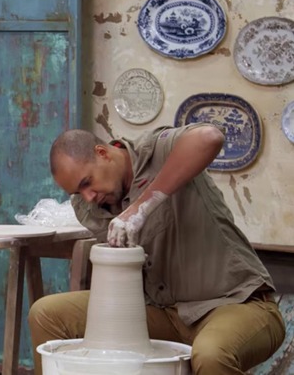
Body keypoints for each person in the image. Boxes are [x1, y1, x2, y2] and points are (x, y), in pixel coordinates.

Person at [29, 124, 285, 375]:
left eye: (87, 182)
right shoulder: (88, 207)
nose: (88, 197)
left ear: (103, 153)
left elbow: (210, 137)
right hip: (161, 312)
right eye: (77, 191)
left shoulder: (156, 152)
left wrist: (140, 208)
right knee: (46, 314)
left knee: (210, 356)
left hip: (235, 304)